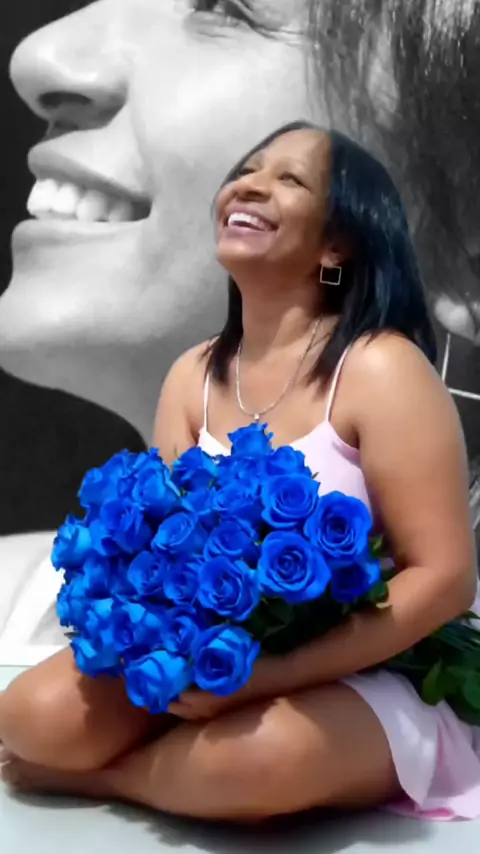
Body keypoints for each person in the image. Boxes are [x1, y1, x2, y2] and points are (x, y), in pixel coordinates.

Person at [1, 124, 478, 821]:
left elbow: (443, 578)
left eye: (290, 179)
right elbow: (162, 562)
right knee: (31, 717)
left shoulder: (381, 366)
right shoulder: (191, 375)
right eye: (247, 171)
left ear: (337, 244)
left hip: (370, 663)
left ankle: (119, 781)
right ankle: (183, 772)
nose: (250, 186)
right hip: (217, 659)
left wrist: (274, 675)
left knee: (252, 759)